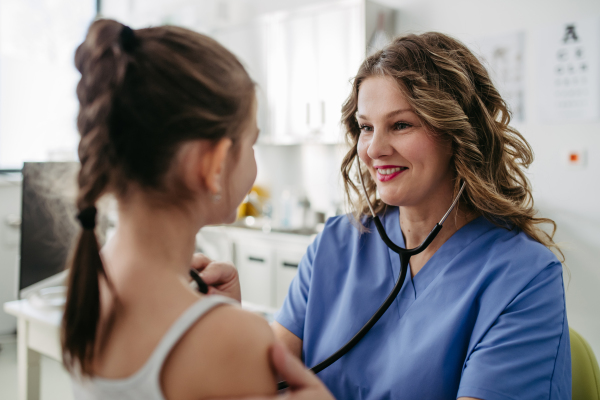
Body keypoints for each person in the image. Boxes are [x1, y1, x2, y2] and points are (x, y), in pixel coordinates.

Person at [195, 32, 571, 400]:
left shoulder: (524, 278)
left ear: (458, 132)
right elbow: (264, 380)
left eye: (401, 125)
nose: (374, 149)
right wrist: (227, 321)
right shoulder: (337, 243)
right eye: (366, 127)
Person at [61, 18, 333, 400]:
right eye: (250, 143)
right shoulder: (232, 338)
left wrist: (214, 319)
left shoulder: (94, 274)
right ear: (215, 164)